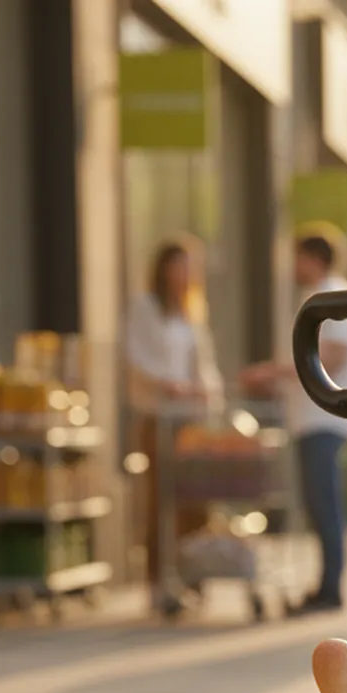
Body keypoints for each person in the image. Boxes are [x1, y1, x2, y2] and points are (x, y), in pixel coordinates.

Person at [245, 233, 347, 614]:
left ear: (314, 258)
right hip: (309, 418)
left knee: (326, 504)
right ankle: (326, 584)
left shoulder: (334, 295)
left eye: (298, 258)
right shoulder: (315, 295)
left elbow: (334, 354)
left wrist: (274, 372)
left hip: (324, 419)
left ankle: (331, 588)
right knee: (317, 504)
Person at [124, 238, 222, 592]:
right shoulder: (145, 307)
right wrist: (170, 385)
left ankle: (193, 572)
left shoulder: (192, 310)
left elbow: (204, 363)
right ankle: (158, 578)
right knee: (161, 498)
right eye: (179, 265)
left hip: (190, 418)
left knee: (195, 498)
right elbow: (137, 358)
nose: (185, 273)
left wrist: (207, 392)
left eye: (190, 266)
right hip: (158, 417)